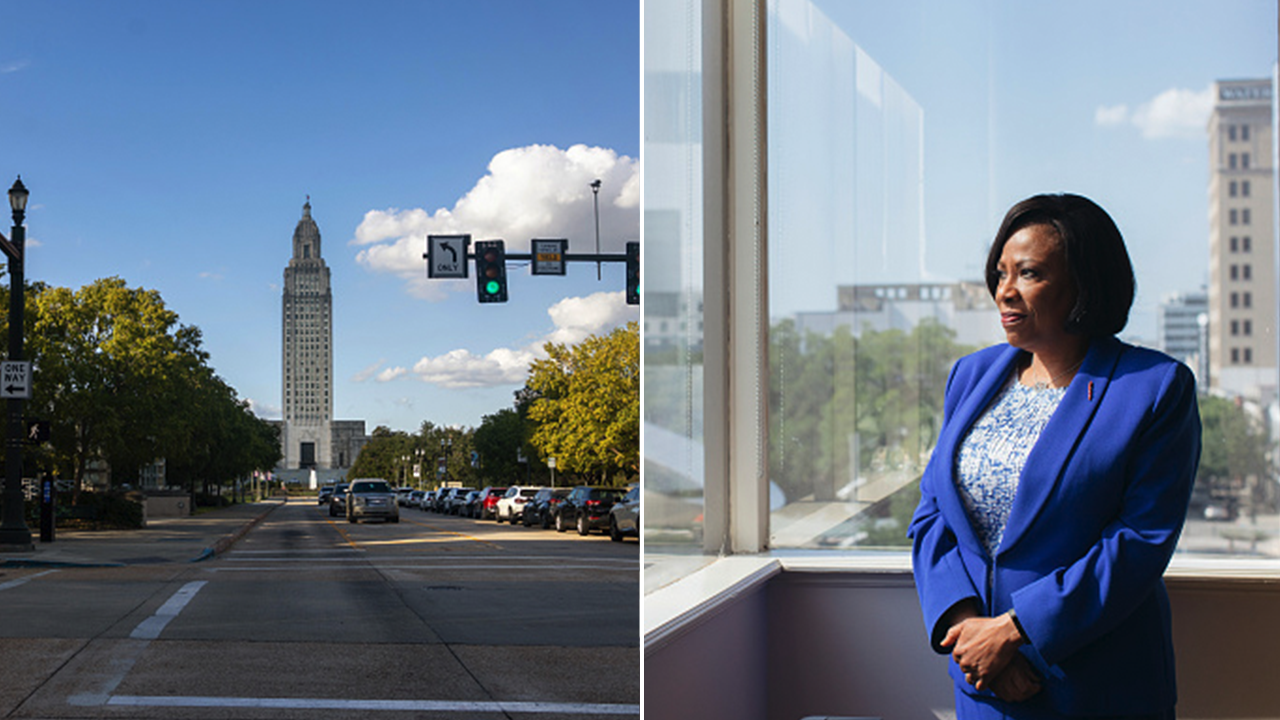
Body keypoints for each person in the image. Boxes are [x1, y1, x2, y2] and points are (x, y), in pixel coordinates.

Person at [908, 194, 1201, 718]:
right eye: (1000, 273)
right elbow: (932, 514)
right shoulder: (971, 375)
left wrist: (1016, 631)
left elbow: (1140, 540)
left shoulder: (1154, 387)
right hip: (983, 681)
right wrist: (968, 630)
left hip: (1098, 684)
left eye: (1029, 274)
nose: (1005, 291)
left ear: (1083, 285)